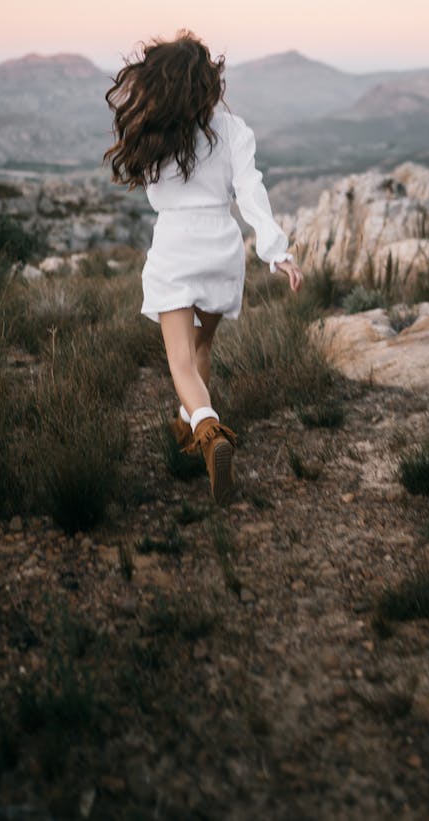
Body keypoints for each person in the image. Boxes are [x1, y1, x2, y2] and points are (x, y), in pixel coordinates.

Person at [104, 30, 303, 505]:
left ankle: (210, 433)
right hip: (220, 244)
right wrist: (277, 251)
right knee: (202, 346)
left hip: (176, 242)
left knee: (179, 363)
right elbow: (250, 192)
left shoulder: (154, 130)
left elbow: (154, 191)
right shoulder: (232, 130)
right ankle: (193, 427)